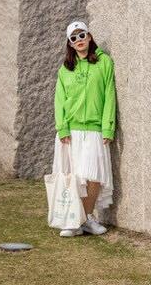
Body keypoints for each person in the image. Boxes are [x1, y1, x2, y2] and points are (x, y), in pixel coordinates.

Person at [52, 19, 117, 237]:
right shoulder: (65, 69)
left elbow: (109, 95)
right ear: (70, 44)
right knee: (73, 176)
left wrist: (108, 127)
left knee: (93, 175)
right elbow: (59, 99)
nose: (79, 40)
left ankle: (85, 218)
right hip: (71, 131)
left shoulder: (104, 62)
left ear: (89, 37)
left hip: (96, 128)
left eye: (82, 35)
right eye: (74, 38)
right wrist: (62, 128)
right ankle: (73, 220)